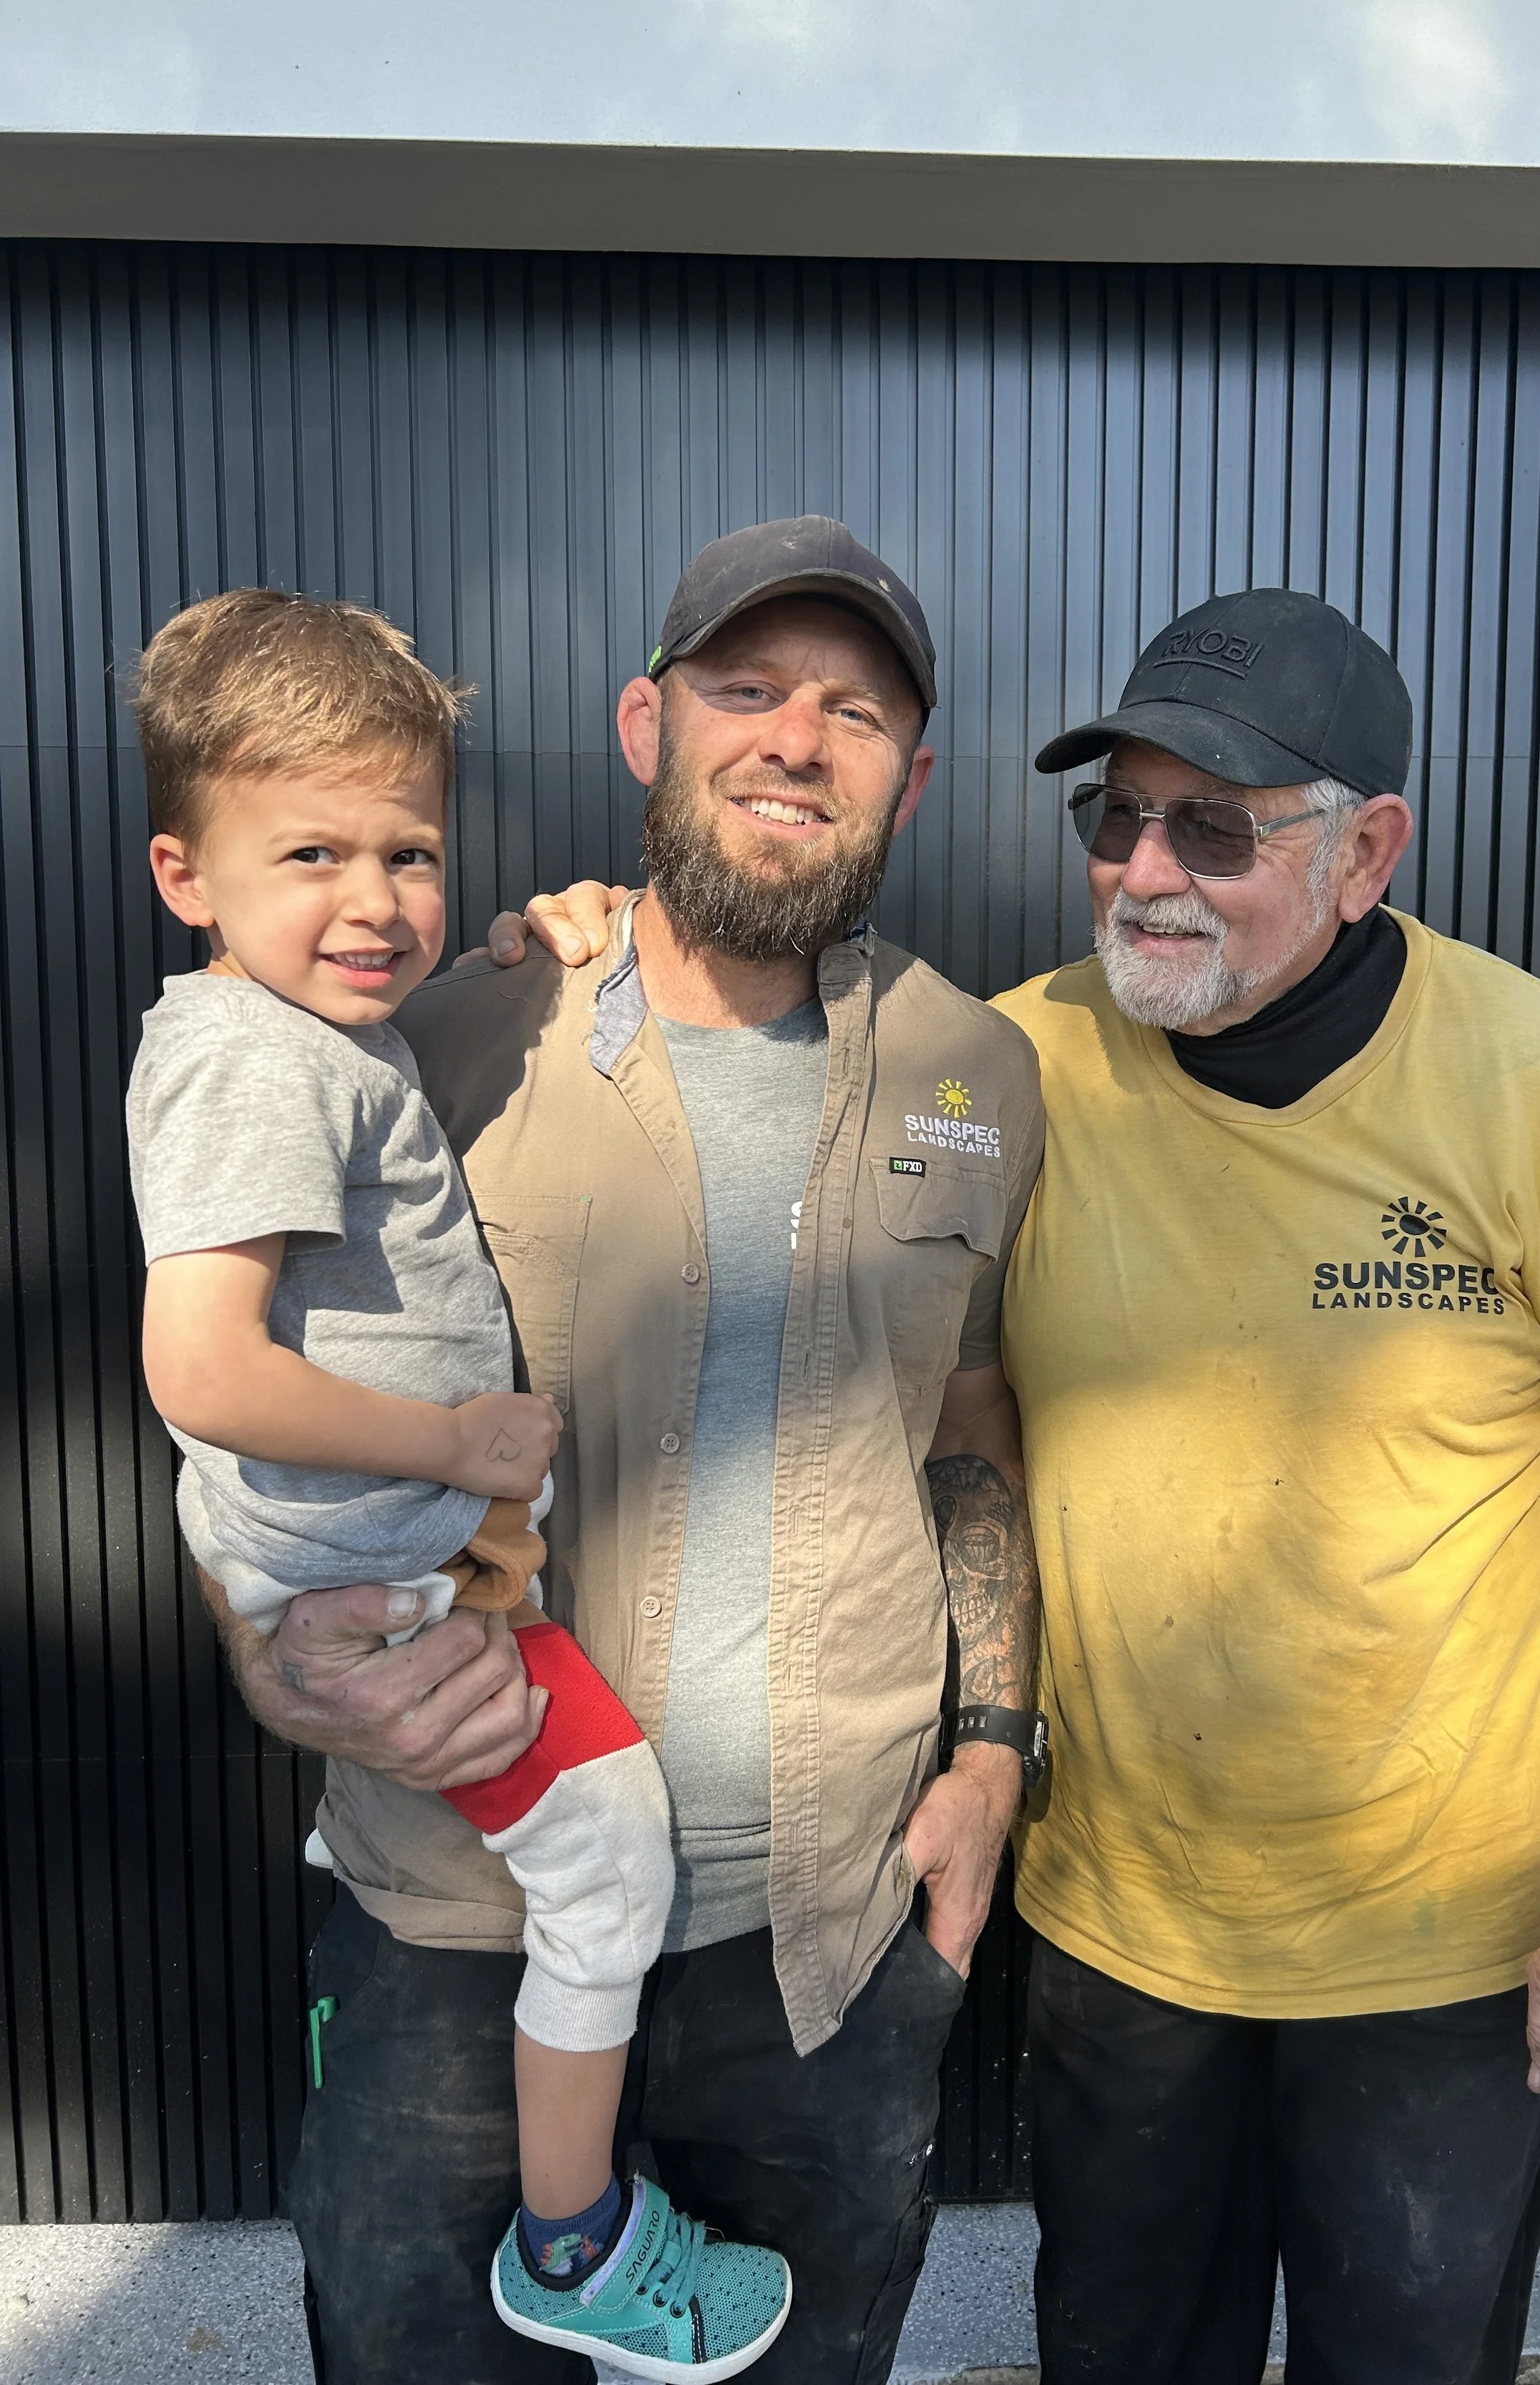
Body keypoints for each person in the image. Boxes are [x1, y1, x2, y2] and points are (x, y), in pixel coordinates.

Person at [510, 585, 1540, 2385]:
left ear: (1365, 852)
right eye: (1115, 818)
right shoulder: (1006, 1074)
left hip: (1449, 1950)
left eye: (1214, 826)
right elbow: (943, 1401)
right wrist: (575, 946)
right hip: (1123, 1925)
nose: (1143, 873)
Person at [190, 520, 1047, 2385]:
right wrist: (279, 1654)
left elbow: (967, 1411)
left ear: (917, 772)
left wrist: (991, 1754)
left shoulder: (978, 1073)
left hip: (822, 1931)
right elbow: (237, 1385)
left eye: (856, 709)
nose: (796, 740)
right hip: (455, 1923)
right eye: (745, 689)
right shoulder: (447, 1032)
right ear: (644, 724)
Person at [126, 589, 791, 2377]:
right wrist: (458, 1445)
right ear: (186, 873)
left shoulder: (330, 1037)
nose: (374, 901)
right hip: (398, 1584)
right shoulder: (255, 1059)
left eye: (408, 849)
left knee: (594, 1841)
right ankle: (574, 2240)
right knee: (612, 1854)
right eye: (312, 852)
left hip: (412, 1561)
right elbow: (200, 1365)